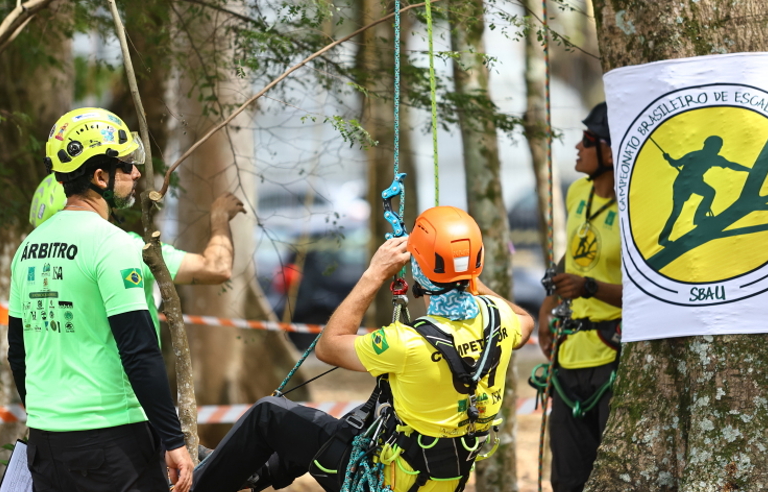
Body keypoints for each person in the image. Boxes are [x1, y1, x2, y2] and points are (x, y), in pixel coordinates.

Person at [190, 206, 535, 492]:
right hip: (443, 479)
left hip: (387, 482)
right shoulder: (502, 321)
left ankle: (200, 485)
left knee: (269, 414)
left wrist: (374, 273)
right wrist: (467, 274)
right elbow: (525, 321)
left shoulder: (407, 342)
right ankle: (254, 471)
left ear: (419, 267)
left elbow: (328, 348)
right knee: (348, 419)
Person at [7, 108, 193, 491]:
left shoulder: (27, 248)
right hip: (112, 443)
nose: (137, 173)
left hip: (45, 444)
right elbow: (139, 352)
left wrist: (49, 417)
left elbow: (17, 351)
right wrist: (173, 440)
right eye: (127, 166)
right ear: (99, 176)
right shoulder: (112, 245)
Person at [28, 172, 246, 342]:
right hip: (118, 393)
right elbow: (216, 267)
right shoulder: (126, 248)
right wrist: (220, 217)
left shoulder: (33, 262)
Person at [538, 102, 622, 492]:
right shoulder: (577, 193)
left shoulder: (632, 209)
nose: (577, 147)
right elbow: (570, 257)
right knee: (568, 477)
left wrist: (590, 287)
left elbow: (649, 293)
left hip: (613, 357)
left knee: (611, 472)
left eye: (588, 140)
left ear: (610, 150)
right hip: (569, 354)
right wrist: (546, 309)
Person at [658, 135, 750, 246]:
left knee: (709, 192)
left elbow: (731, 165)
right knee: (677, 212)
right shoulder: (695, 155)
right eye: (716, 146)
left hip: (694, 182)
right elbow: (675, 163)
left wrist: (748, 170)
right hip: (682, 184)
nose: (718, 149)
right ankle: (664, 239)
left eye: (719, 147)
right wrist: (668, 158)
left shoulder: (712, 158)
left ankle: (699, 217)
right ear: (707, 145)